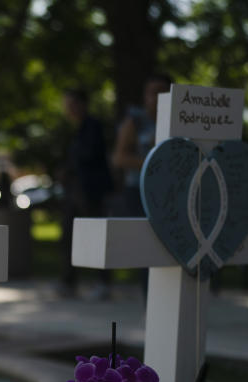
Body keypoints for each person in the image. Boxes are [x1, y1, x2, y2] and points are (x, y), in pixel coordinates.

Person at [60, 89, 113, 298]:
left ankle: (102, 282)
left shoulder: (92, 127)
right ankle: (69, 280)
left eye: (72, 104)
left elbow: (90, 155)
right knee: (69, 234)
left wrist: (70, 167)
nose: (69, 110)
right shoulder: (78, 130)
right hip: (77, 189)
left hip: (89, 189)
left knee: (94, 234)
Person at [111, 72, 173, 218]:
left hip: (169, 190)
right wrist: (156, 163)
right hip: (138, 190)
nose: (156, 97)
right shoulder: (135, 122)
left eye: (161, 92)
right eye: (151, 92)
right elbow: (118, 158)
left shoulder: (178, 122)